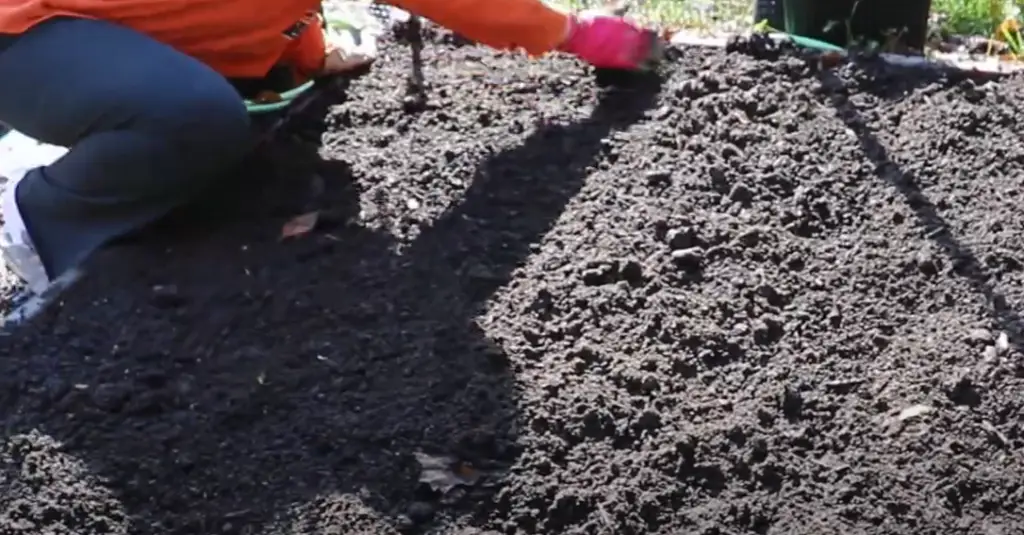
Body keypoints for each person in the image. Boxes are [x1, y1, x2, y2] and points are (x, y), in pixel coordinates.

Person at [0, 0, 659, 296]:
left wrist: (308, 57)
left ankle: (103, 161)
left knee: (226, 127)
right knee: (197, 117)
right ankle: (39, 213)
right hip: (27, 37)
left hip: (96, 43)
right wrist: (572, 33)